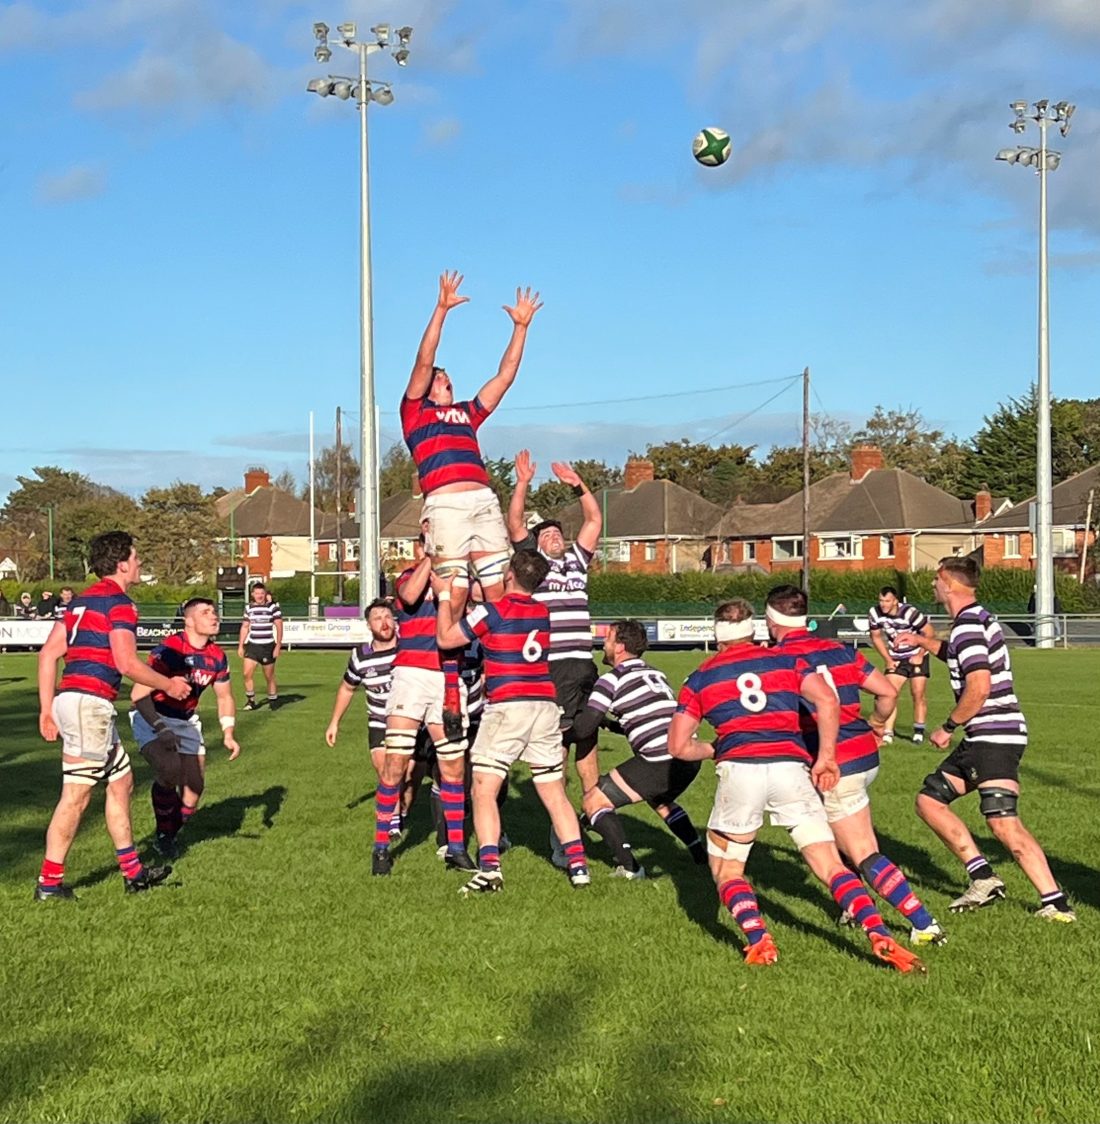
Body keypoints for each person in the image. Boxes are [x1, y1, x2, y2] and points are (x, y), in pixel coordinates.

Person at [668, 598, 925, 973]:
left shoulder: (702, 676)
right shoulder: (786, 660)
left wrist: (714, 747)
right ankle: (877, 931)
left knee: (727, 871)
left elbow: (677, 746)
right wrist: (825, 756)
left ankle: (759, 941)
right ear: (754, 630)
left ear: (717, 635)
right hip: (792, 768)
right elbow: (827, 700)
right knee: (829, 864)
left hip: (741, 772)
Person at [401, 271, 543, 735]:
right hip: (444, 505)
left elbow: (504, 377)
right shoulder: (414, 413)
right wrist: (440, 309)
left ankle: (499, 677)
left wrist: (520, 328)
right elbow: (423, 361)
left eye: (445, 378)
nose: (441, 379)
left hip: (482, 501)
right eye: (438, 378)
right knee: (455, 595)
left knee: (499, 593)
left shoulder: (466, 413)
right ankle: (450, 694)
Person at [766, 584, 946, 946]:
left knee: (861, 849)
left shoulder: (778, 659)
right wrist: (878, 724)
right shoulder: (837, 649)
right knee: (846, 838)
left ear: (771, 621)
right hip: (864, 755)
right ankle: (855, 907)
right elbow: (888, 692)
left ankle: (924, 923)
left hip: (834, 763)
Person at [898, 556, 1075, 922]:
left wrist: (947, 727)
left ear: (948, 582)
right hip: (988, 735)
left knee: (1002, 821)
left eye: (935, 578)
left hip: (993, 735)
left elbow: (979, 685)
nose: (932, 585)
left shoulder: (968, 627)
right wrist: (921, 640)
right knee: (930, 801)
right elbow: (958, 656)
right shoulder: (976, 619)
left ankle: (1055, 904)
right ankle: (983, 876)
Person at [34, 530, 190, 900]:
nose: (139, 564)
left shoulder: (81, 602)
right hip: (89, 705)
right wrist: (168, 686)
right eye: (136, 558)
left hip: (75, 701)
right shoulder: (120, 603)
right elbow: (126, 662)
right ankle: (49, 884)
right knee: (76, 796)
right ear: (122, 563)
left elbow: (47, 655)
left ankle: (134, 873)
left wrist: (46, 709)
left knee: (121, 781)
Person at [435, 549, 592, 894]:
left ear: (509, 575)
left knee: (484, 789)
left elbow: (446, 639)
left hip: (509, 705)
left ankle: (490, 868)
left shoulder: (495, 611)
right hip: (545, 705)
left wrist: (445, 595)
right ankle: (579, 866)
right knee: (553, 790)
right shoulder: (542, 611)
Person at [507, 451, 603, 865]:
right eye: (546, 534)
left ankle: (597, 818)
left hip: (584, 665)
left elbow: (594, 521)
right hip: (557, 666)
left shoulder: (577, 565)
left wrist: (578, 484)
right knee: (558, 750)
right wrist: (523, 482)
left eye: (557, 534)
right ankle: (562, 840)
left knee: (588, 745)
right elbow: (514, 524)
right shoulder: (536, 568)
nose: (554, 538)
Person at [570, 619, 706, 878]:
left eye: (608, 639)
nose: (604, 644)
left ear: (619, 647)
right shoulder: (655, 673)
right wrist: (610, 725)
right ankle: (700, 855)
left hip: (659, 759)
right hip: (690, 756)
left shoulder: (612, 679)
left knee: (593, 801)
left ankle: (630, 868)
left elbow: (584, 727)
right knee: (660, 799)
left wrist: (559, 730)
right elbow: (650, 718)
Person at [371, 538, 473, 876]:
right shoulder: (408, 575)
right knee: (395, 764)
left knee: (454, 768)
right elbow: (411, 596)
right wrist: (432, 558)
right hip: (411, 675)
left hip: (448, 678)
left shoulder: (462, 579)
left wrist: (454, 581)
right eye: (426, 542)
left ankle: (455, 847)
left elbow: (462, 615)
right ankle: (382, 846)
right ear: (420, 548)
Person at [130, 598, 240, 859]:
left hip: (186, 719)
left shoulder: (217, 656)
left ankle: (166, 834)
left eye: (214, 612)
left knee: (193, 791)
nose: (214, 617)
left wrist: (228, 732)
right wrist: (159, 727)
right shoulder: (169, 650)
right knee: (170, 770)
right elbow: (138, 694)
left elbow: (224, 696)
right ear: (189, 620)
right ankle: (165, 838)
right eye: (206, 613)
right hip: (152, 715)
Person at [325, 599, 405, 839]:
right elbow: (347, 689)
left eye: (388, 617)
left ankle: (403, 810)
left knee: (409, 775)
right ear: (369, 626)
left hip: (410, 720)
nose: (384, 622)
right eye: (377, 618)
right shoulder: (360, 656)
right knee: (384, 769)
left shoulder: (409, 648)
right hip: (379, 722)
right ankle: (392, 820)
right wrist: (334, 722)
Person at [867, 585, 935, 744]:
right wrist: (888, 659)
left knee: (918, 693)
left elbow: (930, 632)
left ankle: (918, 732)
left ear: (895, 601)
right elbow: (876, 637)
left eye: (887, 601)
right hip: (897, 657)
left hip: (917, 654)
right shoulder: (874, 613)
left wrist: (919, 655)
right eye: (881, 600)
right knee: (889, 694)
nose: (883, 604)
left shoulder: (910, 613)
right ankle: (888, 732)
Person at [238, 581, 282, 710]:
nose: (259, 595)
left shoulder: (272, 608)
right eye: (257, 593)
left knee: (269, 676)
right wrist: (241, 645)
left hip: (267, 646)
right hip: (252, 646)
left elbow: (279, 626)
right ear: (252, 594)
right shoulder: (249, 608)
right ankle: (250, 701)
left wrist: (278, 645)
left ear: (265, 594)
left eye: (262, 593)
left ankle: (273, 700)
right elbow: (245, 627)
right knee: (247, 674)